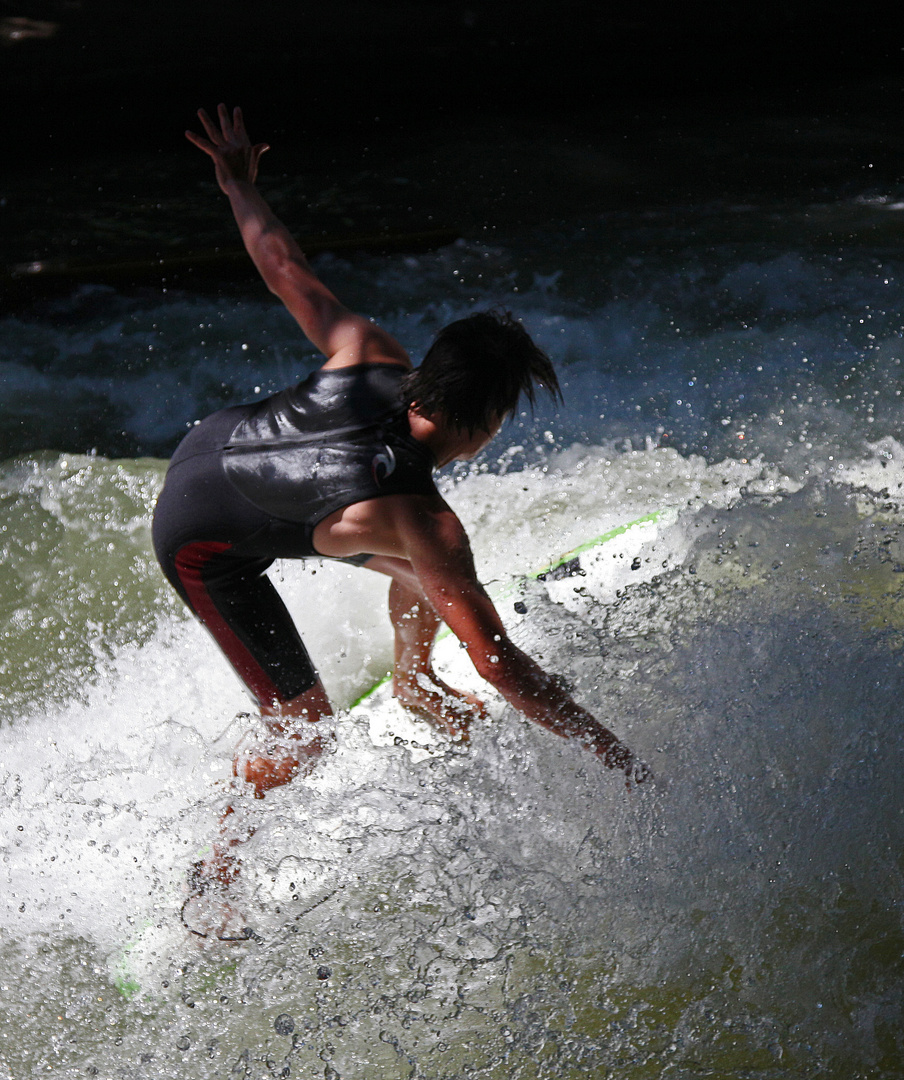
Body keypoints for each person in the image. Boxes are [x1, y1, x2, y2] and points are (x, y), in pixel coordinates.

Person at [155, 106, 648, 934]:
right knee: (306, 729)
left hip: (210, 442)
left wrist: (239, 185)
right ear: (483, 419)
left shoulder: (371, 351)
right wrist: (616, 756)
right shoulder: (429, 518)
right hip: (201, 538)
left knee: (404, 558)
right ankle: (214, 876)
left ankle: (414, 681)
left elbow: (283, 267)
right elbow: (498, 663)